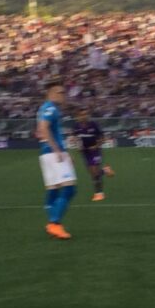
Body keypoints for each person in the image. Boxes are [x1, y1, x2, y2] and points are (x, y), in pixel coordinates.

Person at [36, 82, 77, 240]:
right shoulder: (51, 108)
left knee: (53, 189)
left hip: (46, 153)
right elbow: (44, 128)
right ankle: (54, 223)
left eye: (64, 93)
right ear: (51, 94)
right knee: (69, 189)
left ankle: (52, 224)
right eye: (60, 93)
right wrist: (57, 150)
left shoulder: (45, 108)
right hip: (53, 153)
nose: (63, 96)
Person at [73, 107, 110, 201]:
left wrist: (96, 146)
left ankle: (99, 194)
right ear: (78, 116)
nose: (84, 116)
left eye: (86, 114)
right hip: (85, 152)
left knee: (95, 172)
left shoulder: (94, 125)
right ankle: (105, 170)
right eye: (82, 115)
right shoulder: (76, 126)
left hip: (95, 151)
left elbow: (103, 138)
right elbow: (75, 138)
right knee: (93, 173)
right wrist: (78, 146)